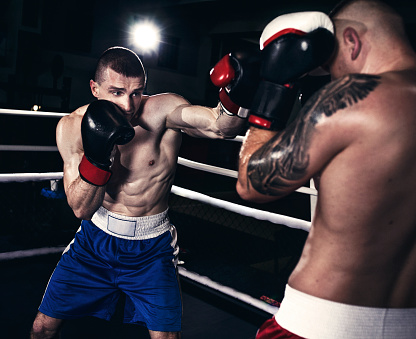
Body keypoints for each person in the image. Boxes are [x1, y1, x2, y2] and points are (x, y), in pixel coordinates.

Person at [236, 2, 416, 338]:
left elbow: (251, 183)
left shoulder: (350, 96)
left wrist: (273, 89)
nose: (331, 74)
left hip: (319, 325)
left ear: (352, 40)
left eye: (330, 62)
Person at [30, 46, 257, 339]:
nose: (128, 105)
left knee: (166, 337)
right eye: (116, 92)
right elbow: (80, 208)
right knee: (41, 329)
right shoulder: (72, 127)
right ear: (94, 88)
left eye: (137, 92)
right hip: (94, 243)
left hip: (151, 248)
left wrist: (238, 93)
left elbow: (221, 127)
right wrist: (98, 159)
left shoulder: (163, 111)